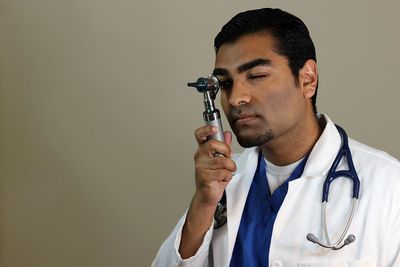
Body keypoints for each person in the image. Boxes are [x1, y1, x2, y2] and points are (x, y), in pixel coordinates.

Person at [152, 8, 400, 267]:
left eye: (257, 76)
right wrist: (203, 205)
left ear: (307, 79)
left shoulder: (389, 187)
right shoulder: (223, 183)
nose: (236, 98)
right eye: (225, 83)